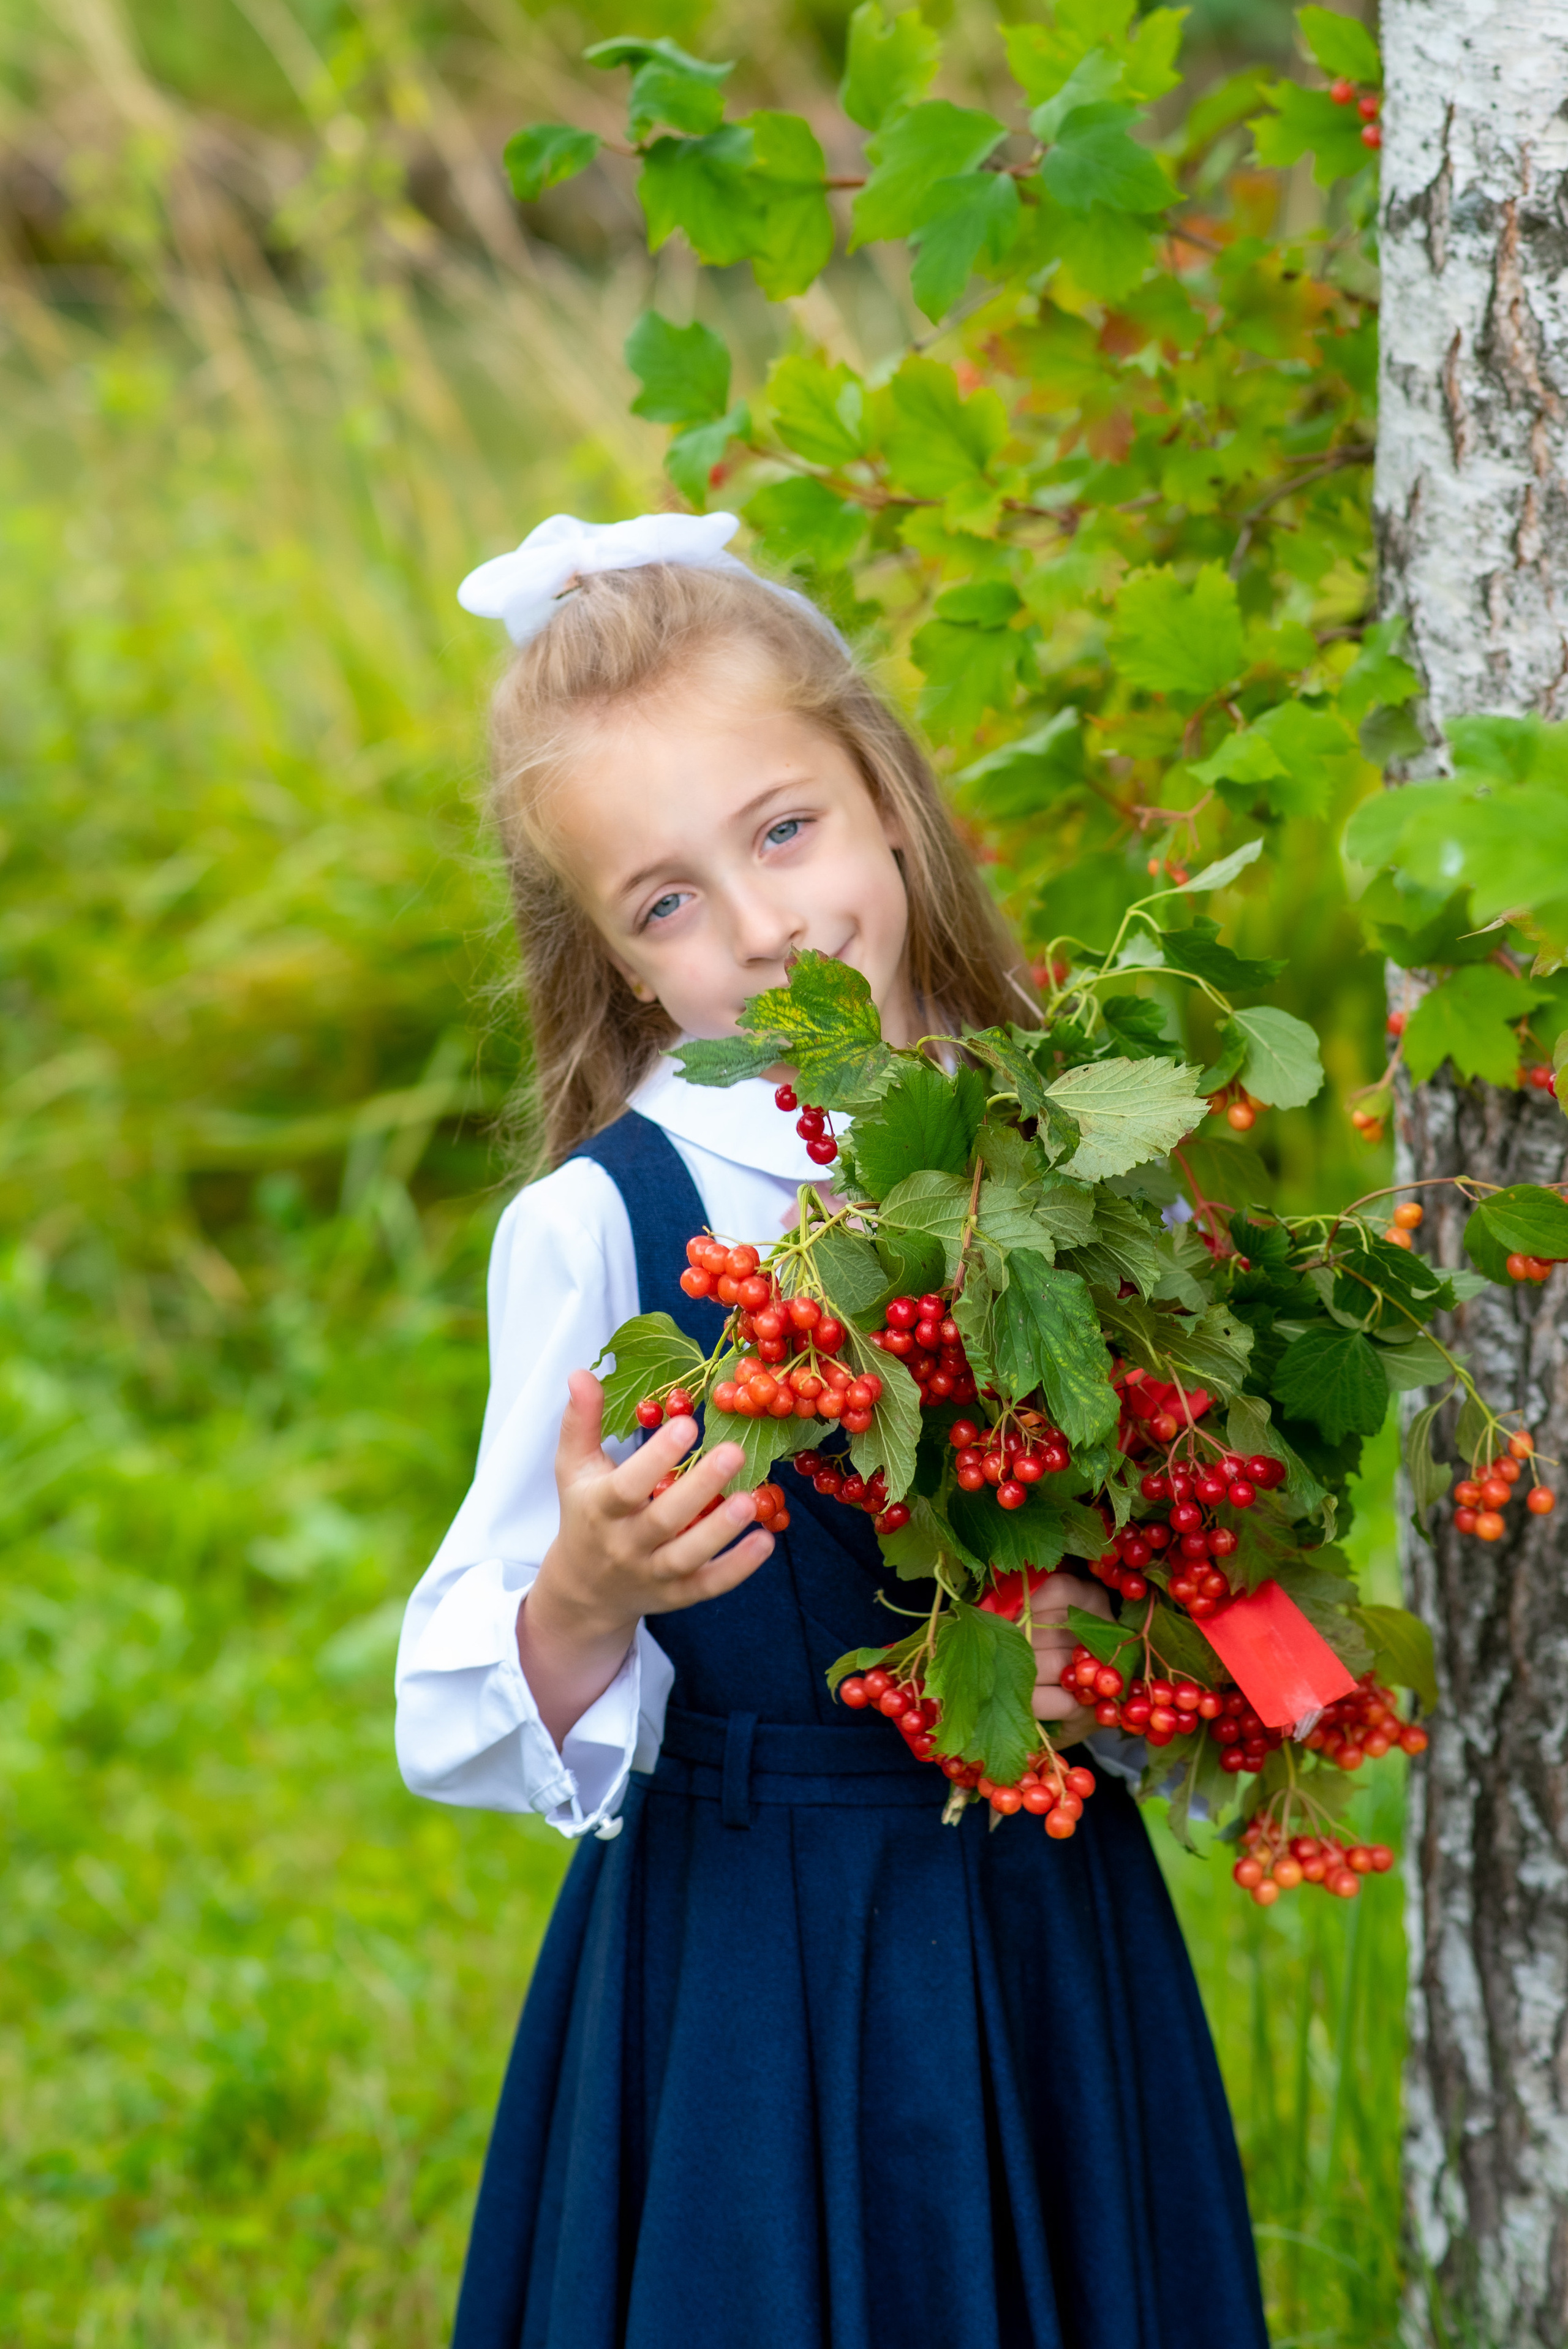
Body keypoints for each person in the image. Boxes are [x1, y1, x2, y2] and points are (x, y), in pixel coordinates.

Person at [395, 511, 1268, 2349]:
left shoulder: (1081, 1143)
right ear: (621, 964)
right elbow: (458, 1689)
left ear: (881, 790)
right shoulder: (609, 1230)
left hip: (1041, 1922)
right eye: (667, 900)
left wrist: (1113, 1649)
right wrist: (588, 1586)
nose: (763, 925)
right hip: (744, 1966)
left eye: (781, 829)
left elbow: (1188, 1560)